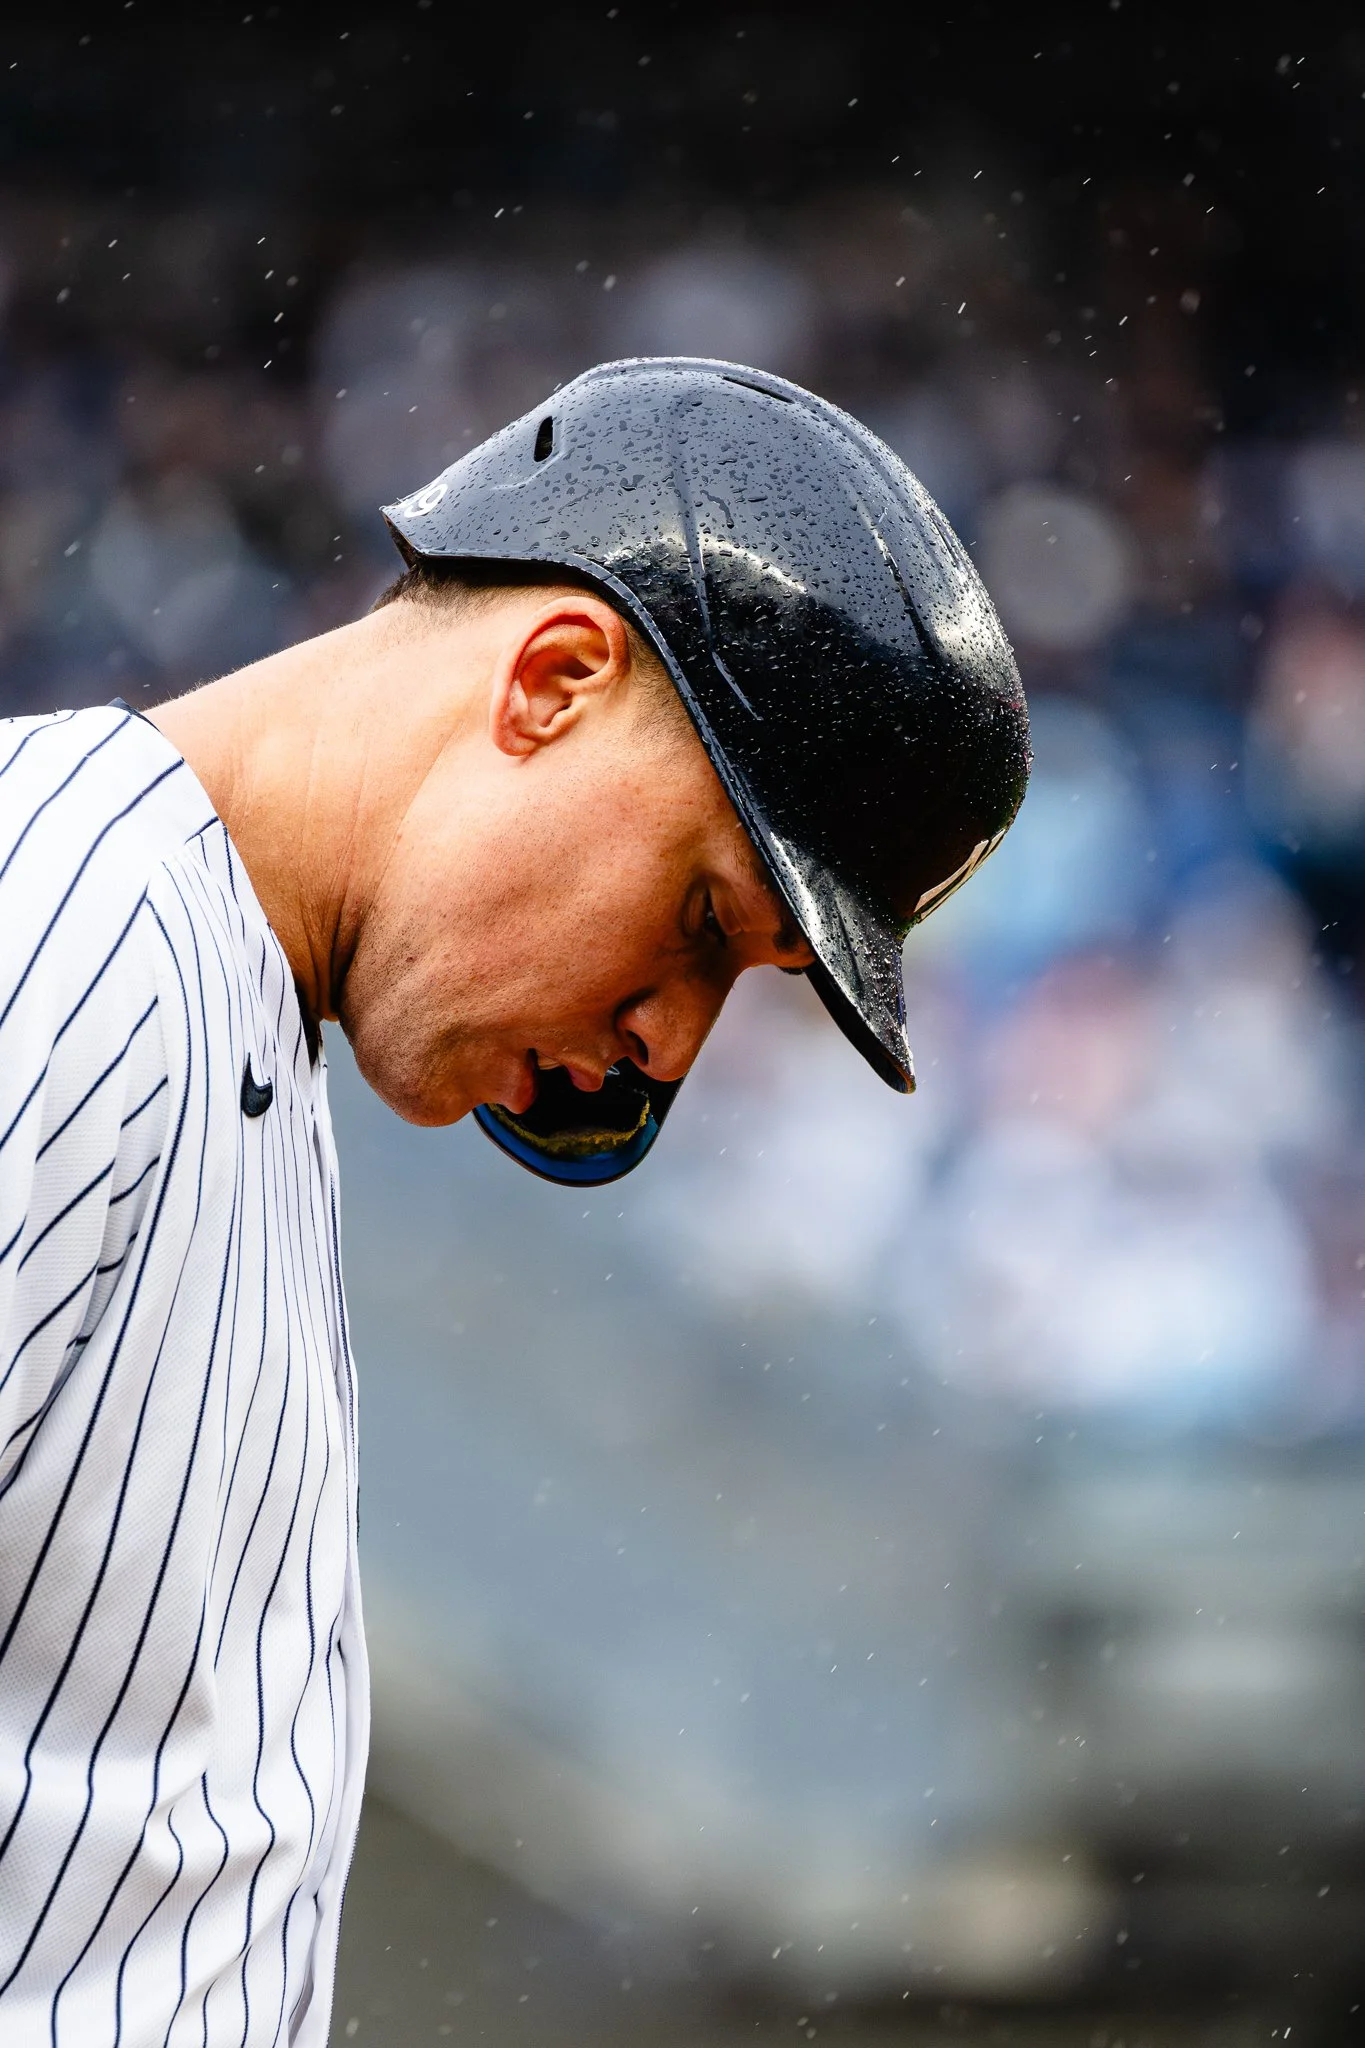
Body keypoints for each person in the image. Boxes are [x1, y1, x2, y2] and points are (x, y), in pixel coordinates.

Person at [0, 357, 1028, 2042]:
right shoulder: (58, 938)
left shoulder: (224, 1002)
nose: (665, 1042)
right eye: (708, 922)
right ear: (552, 677)